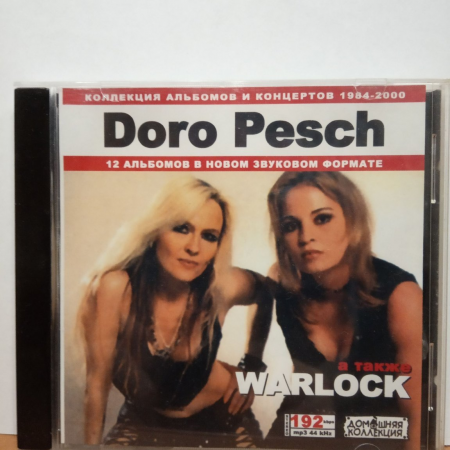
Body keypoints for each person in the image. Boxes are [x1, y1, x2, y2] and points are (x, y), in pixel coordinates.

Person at [78, 176, 269, 447]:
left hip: (224, 417)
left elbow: (269, 293)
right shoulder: (117, 288)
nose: (194, 247)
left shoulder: (221, 286)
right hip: (143, 421)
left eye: (209, 236)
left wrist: (252, 366)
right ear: (156, 229)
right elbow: (97, 385)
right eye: (182, 228)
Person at [264, 172, 422, 450]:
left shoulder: (401, 295)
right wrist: (250, 360)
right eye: (290, 225)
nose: (306, 237)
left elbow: (417, 418)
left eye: (322, 218)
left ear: (353, 221)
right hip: (301, 433)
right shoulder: (284, 283)